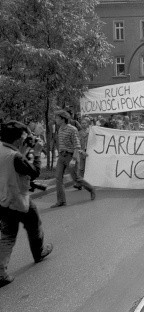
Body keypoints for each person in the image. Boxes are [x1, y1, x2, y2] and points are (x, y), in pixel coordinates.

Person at [0, 121, 53, 287]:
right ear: (17, 140)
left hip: (3, 199)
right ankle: (39, 253)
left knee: (8, 236)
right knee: (34, 224)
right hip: (18, 199)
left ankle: (1, 272)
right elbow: (34, 172)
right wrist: (37, 153)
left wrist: (24, 150)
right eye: (24, 136)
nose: (27, 139)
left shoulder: (4, 149)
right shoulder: (15, 157)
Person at [51, 110, 95, 208]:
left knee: (76, 178)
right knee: (58, 178)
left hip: (70, 156)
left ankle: (91, 189)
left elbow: (77, 145)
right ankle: (61, 201)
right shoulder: (60, 128)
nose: (56, 120)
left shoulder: (72, 129)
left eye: (57, 118)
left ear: (63, 119)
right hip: (61, 156)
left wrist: (74, 159)